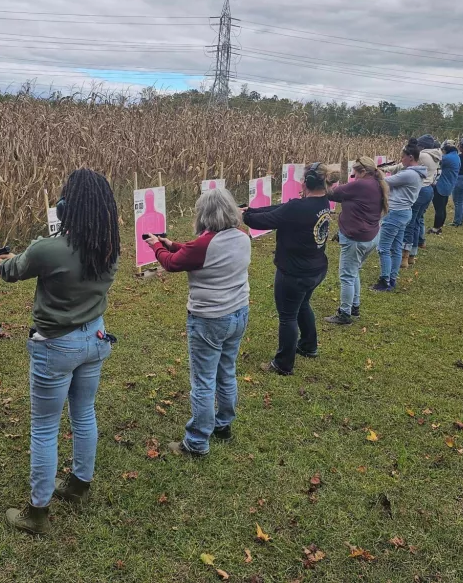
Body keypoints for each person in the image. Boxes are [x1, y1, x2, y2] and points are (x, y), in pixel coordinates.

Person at [0, 168, 120, 535]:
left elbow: (14, 270)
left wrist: (3, 264)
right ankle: (79, 486)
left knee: (46, 428)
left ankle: (37, 513)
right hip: (95, 337)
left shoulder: (47, 248)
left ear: (67, 208)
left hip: (56, 346)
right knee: (84, 414)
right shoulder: (109, 246)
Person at [144, 188, 251, 457]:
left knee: (203, 382)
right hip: (238, 313)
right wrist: (172, 244)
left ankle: (197, 442)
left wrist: (156, 246)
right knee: (226, 372)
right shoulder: (241, 236)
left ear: (205, 214)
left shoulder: (205, 245)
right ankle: (223, 424)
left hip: (210, 320)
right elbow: (194, 253)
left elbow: (171, 264)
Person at [242, 163, 336, 376]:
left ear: (307, 183)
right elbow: (280, 208)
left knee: (287, 316)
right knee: (303, 305)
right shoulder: (323, 202)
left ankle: (283, 363)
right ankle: (309, 346)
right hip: (316, 268)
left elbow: (266, 220)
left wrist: (244, 217)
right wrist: (250, 209)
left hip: (295, 273)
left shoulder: (299, 207)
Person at [324, 157, 388, 325]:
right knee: (354, 272)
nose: (353, 175)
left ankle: (344, 314)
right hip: (371, 236)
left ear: (363, 172)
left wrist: (326, 181)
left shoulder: (361, 184)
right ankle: (355, 306)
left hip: (356, 239)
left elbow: (333, 194)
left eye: (355, 172)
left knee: (346, 276)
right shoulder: (375, 182)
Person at [372, 140, 426, 292]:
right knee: (396, 248)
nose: (401, 159)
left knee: (383, 248)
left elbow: (384, 182)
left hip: (395, 213)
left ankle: (384, 280)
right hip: (404, 212)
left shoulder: (409, 174)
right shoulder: (416, 172)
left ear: (410, 157)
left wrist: (376, 173)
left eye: (402, 157)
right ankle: (392, 279)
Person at [394, 134, 440, 269]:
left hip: (421, 190)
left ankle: (405, 257)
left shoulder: (423, 156)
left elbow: (406, 162)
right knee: (417, 222)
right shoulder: (434, 155)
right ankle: (413, 254)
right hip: (428, 190)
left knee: (410, 224)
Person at [428, 140, 461, 235]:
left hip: (442, 186)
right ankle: (440, 226)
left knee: (438, 208)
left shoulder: (447, 158)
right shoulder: (456, 157)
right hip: (448, 185)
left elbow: (435, 161)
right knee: (442, 207)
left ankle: (435, 229)